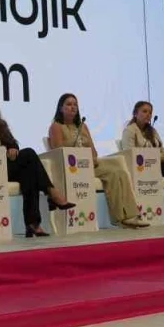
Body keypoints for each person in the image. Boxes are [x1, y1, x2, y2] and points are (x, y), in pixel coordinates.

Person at [0, 90, 75, 237]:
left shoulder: (0, 125)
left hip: (6, 167)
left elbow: (13, 143)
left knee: (30, 173)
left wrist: (13, 148)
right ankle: (51, 193)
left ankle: (33, 224)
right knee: (29, 155)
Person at [47, 93, 145, 228]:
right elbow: (58, 152)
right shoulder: (56, 126)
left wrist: (92, 159)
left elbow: (93, 150)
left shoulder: (82, 126)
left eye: (75, 105)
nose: (73, 107)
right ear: (60, 108)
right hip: (72, 168)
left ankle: (131, 215)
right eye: (68, 104)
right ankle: (120, 218)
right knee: (113, 174)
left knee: (120, 172)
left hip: (88, 164)